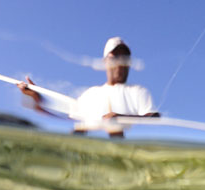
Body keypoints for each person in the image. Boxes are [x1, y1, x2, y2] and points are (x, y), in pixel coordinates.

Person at [18, 37, 159, 137]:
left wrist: (121, 118)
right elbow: (64, 118)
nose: (120, 62)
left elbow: (154, 118)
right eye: (115, 56)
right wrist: (35, 95)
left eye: (125, 57)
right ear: (105, 62)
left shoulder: (138, 92)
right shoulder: (90, 95)